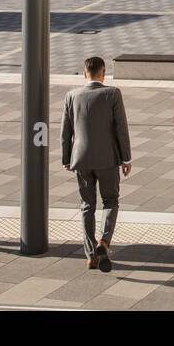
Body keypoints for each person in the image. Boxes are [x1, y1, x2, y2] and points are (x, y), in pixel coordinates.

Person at [62, 56, 132, 272]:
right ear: (103, 73)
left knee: (86, 205)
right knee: (111, 200)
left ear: (85, 73)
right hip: (108, 158)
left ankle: (91, 255)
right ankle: (104, 241)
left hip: (81, 158)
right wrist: (126, 158)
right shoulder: (112, 93)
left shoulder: (71, 95)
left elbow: (66, 131)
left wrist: (66, 158)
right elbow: (121, 127)